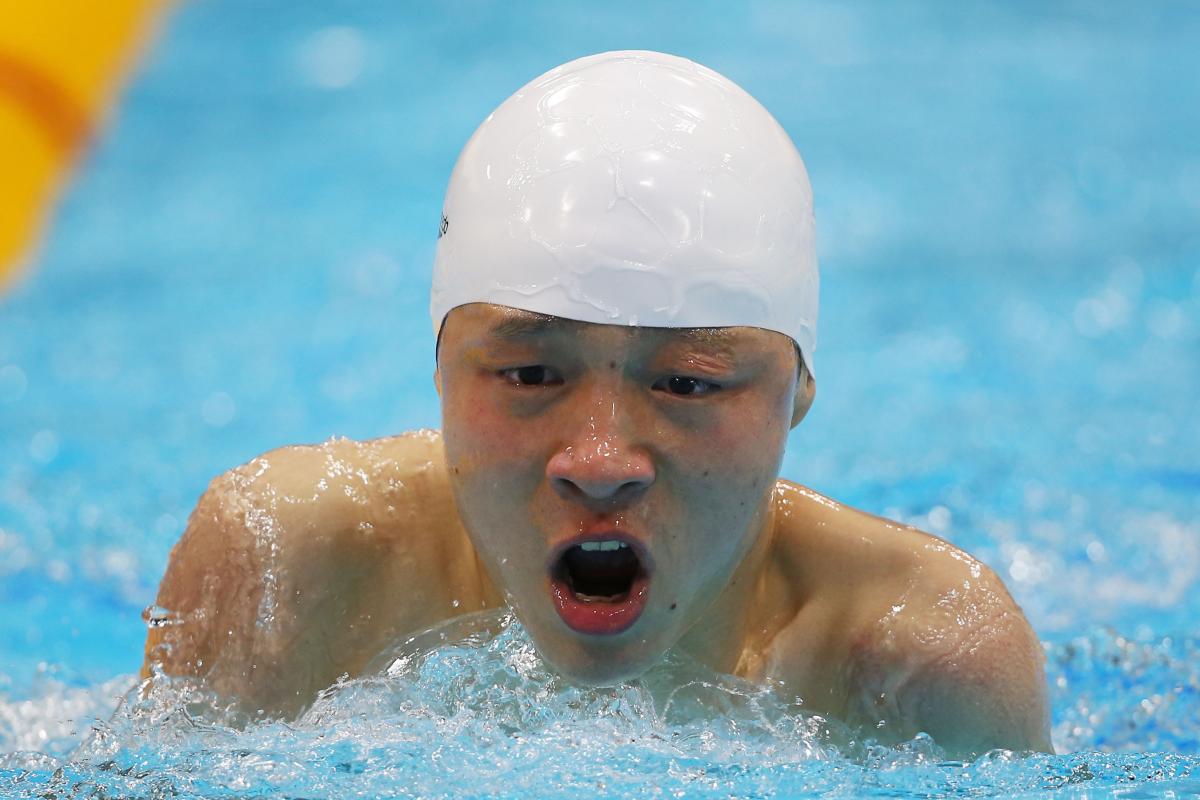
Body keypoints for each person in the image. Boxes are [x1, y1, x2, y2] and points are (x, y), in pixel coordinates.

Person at [142, 51, 1052, 757]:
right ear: (440, 372)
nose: (600, 460)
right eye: (530, 376)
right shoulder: (289, 569)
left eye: (689, 383)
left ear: (798, 392)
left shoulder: (925, 665)